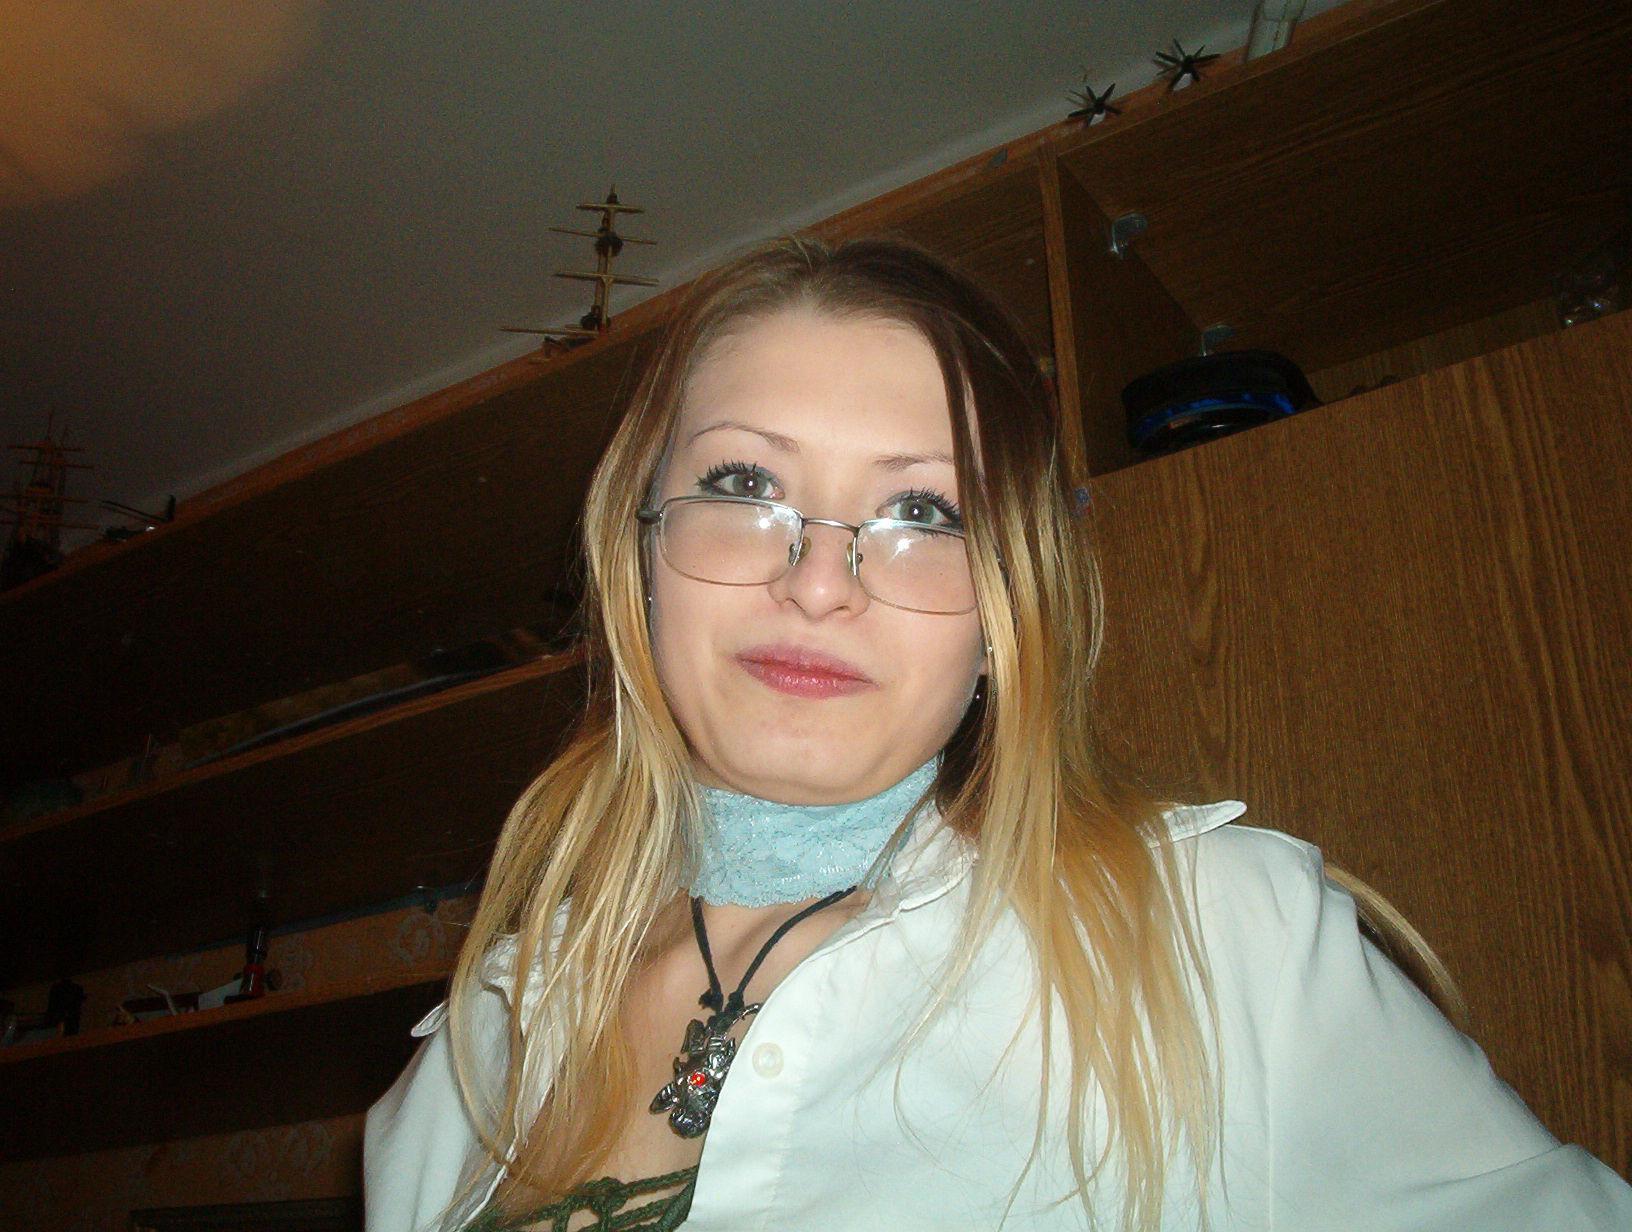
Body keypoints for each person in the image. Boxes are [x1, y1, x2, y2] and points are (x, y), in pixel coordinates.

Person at [363, 235, 1632, 1231]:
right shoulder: (474, 1048)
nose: (819, 582)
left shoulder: (1219, 934)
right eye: (745, 484)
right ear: (638, 551)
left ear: (1005, 610)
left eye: (923, 510)